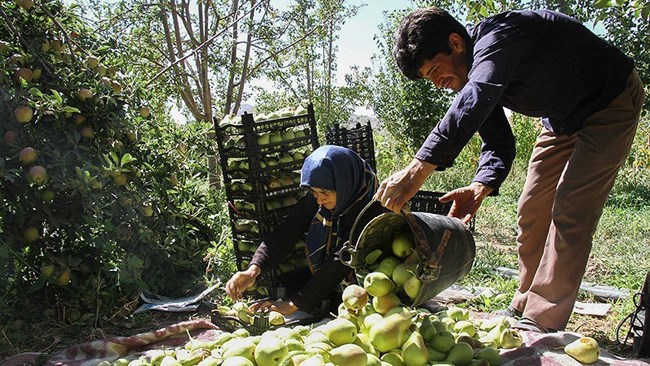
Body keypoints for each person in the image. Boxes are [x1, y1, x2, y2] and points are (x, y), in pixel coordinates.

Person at [377, 7, 645, 333]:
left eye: (434, 70)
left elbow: (475, 100)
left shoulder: (499, 37)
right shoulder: (475, 77)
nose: (436, 84)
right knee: (531, 209)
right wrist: (480, 186)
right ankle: (525, 298)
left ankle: (541, 320)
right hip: (561, 120)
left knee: (571, 210)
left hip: (608, 100)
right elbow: (499, 143)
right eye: (428, 78)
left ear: (456, 43)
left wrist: (416, 171)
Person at [225, 145, 387, 315]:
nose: (319, 200)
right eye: (314, 192)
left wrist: (293, 304)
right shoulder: (322, 199)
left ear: (345, 183)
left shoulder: (371, 210)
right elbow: (288, 230)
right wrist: (253, 270)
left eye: (324, 192)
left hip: (368, 288)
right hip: (333, 282)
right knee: (294, 282)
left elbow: (339, 262)